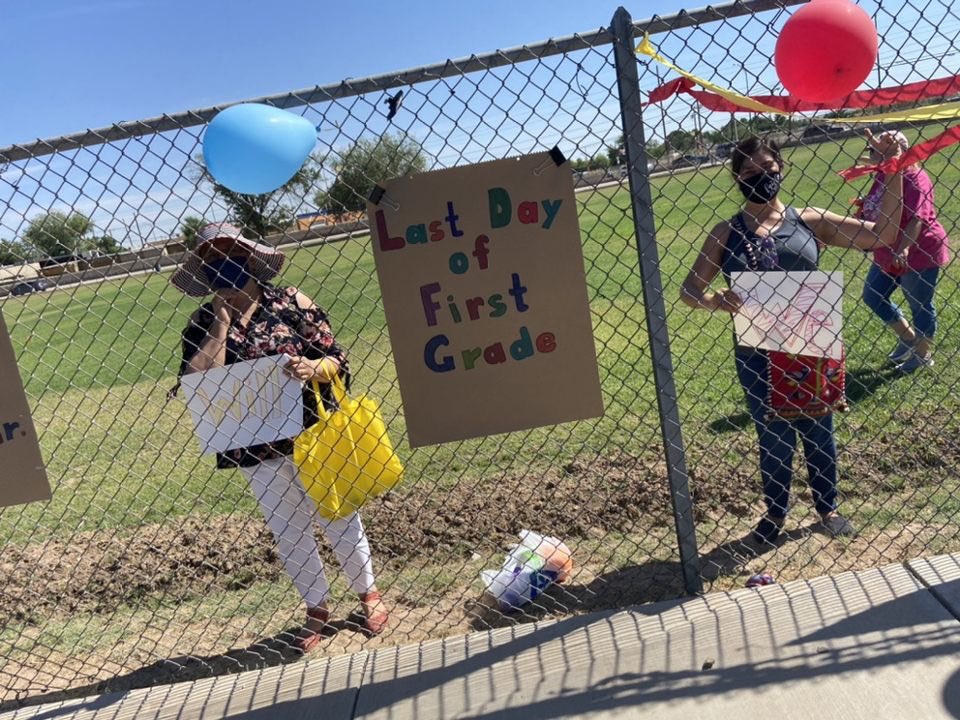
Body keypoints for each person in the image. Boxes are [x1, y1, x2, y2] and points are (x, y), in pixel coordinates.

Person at [171, 222, 388, 651]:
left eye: (230, 255)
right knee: (288, 529)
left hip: (311, 433)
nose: (223, 265)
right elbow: (196, 382)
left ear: (251, 258)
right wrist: (219, 326)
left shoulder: (291, 302)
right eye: (212, 260)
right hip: (255, 444)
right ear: (203, 270)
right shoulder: (201, 322)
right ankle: (317, 608)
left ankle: (368, 595)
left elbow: (337, 360)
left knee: (338, 514)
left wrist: (312, 368)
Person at [680, 136, 904, 544]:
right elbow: (689, 291)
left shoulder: (809, 221)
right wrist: (717, 300)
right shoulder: (725, 232)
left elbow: (884, 233)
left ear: (781, 168)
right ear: (737, 179)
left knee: (820, 429)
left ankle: (828, 506)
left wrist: (892, 168)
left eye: (768, 168)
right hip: (758, 353)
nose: (761, 177)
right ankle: (776, 512)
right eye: (750, 173)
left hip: (810, 345)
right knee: (773, 436)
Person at [855, 129, 950, 373]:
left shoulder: (915, 178)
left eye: (879, 151)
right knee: (873, 295)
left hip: (917, 250)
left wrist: (903, 248)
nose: (873, 155)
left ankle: (922, 354)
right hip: (887, 248)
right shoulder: (886, 174)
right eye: (874, 150)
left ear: (898, 152)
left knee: (919, 303)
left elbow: (916, 220)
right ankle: (909, 338)